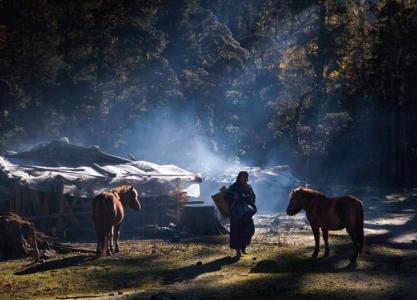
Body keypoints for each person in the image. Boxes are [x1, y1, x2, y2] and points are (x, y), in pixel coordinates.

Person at [225, 171, 257, 258]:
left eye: (246, 177)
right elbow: (226, 196)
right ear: (239, 177)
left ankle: (243, 247)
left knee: (249, 229)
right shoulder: (233, 187)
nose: (244, 179)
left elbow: (253, 197)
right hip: (235, 213)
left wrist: (247, 200)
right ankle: (237, 251)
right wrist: (233, 197)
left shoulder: (248, 187)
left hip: (246, 213)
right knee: (236, 232)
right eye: (243, 177)